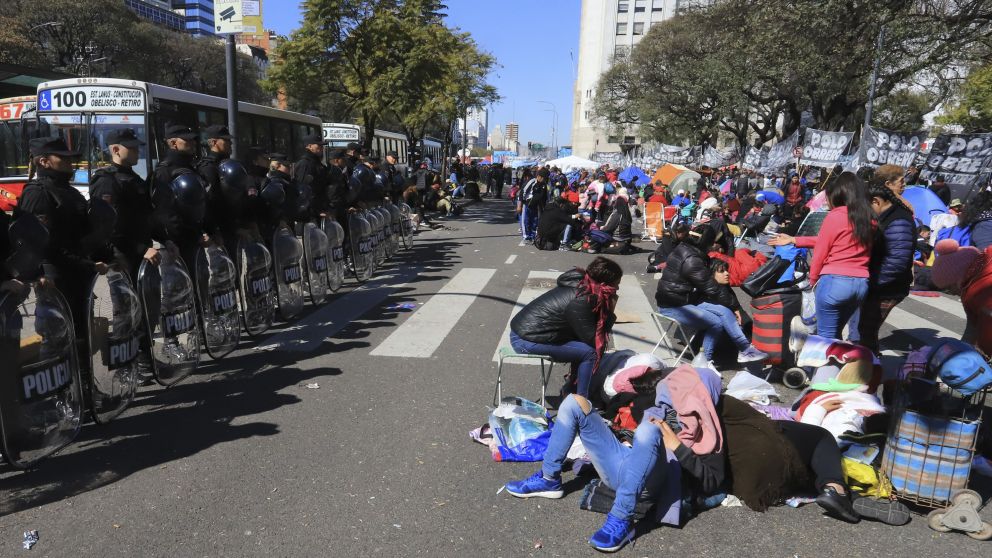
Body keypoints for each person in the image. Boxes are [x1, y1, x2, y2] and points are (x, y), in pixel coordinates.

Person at [503, 365, 726, 552]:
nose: (676, 395)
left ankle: (621, 517)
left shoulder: (709, 431)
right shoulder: (661, 405)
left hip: (647, 484)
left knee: (648, 432)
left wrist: (678, 447)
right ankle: (549, 477)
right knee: (574, 402)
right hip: (622, 463)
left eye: (684, 392)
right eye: (674, 388)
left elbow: (711, 481)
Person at [18, 137, 113, 366]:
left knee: (81, 338)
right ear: (44, 161)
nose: (71, 163)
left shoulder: (69, 192)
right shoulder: (37, 193)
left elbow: (84, 235)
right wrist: (37, 273)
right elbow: (39, 245)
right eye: (64, 158)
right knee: (57, 340)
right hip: (55, 279)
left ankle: (84, 391)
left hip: (79, 275)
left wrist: (104, 256)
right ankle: (62, 396)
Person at [769, 172, 874, 340]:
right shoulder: (869, 218)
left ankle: (822, 365)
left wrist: (812, 281)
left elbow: (821, 251)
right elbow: (838, 240)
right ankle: (837, 365)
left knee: (824, 340)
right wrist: (795, 239)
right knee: (836, 336)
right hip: (860, 284)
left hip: (834, 282)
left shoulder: (836, 216)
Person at [655, 222, 768, 368]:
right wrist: (735, 307)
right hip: (673, 305)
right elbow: (712, 288)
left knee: (725, 312)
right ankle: (704, 363)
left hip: (685, 299)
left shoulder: (687, 249)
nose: (713, 246)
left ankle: (745, 349)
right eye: (711, 243)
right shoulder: (692, 260)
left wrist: (734, 308)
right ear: (706, 242)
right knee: (715, 323)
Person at [509, 257, 621, 398]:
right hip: (526, 340)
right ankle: (581, 402)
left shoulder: (584, 286)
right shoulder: (583, 299)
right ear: (604, 284)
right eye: (616, 284)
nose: (617, 289)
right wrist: (610, 311)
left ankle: (570, 390)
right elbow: (593, 340)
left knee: (581, 348)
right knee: (589, 353)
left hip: (528, 333)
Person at [848, 167, 916, 352]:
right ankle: (868, 363)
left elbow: (896, 262)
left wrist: (870, 282)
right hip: (880, 284)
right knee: (866, 330)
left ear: (876, 201)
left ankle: (868, 367)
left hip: (887, 288)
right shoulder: (888, 216)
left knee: (866, 331)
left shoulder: (898, 221)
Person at [519, 168, 549, 243]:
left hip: (536, 206)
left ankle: (532, 236)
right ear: (539, 176)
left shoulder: (544, 185)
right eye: (543, 178)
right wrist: (519, 205)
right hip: (526, 205)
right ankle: (526, 237)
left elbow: (545, 197)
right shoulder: (532, 182)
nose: (544, 180)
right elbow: (522, 192)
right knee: (526, 221)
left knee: (535, 222)